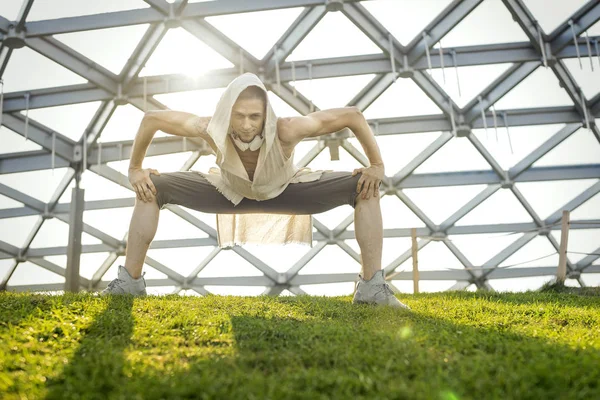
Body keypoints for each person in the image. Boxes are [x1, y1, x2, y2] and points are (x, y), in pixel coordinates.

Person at [100, 73, 409, 309]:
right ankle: (130, 282)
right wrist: (135, 169)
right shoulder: (211, 128)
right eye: (239, 115)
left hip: (287, 190)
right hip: (227, 191)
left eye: (254, 116)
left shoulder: (288, 129)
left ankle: (371, 287)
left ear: (265, 115)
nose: (246, 125)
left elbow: (352, 115)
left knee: (365, 186)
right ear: (226, 113)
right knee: (150, 187)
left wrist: (376, 165)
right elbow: (152, 119)